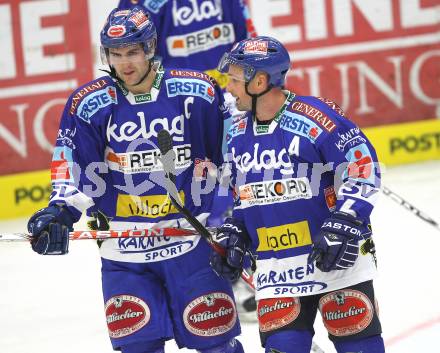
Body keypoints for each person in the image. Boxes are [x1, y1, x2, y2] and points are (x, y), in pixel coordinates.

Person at [27, 7, 245, 353]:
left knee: (217, 345)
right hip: (124, 251)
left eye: (132, 52)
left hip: (191, 242)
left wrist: (230, 215)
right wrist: (60, 210)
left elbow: (232, 153)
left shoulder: (197, 90)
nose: (124, 63)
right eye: (116, 54)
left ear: (150, 48)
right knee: (137, 348)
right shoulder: (89, 103)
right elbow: (72, 165)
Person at [210, 36, 386, 353]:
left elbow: (364, 168)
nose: (230, 88)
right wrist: (237, 227)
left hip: (336, 262)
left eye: (235, 80)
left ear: (259, 80)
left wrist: (346, 219)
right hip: (278, 271)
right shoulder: (236, 131)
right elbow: (245, 194)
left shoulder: (317, 119)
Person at [117, 0, 259, 320]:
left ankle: (249, 264)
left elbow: (247, 40)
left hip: (231, 97)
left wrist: (256, 88)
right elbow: (137, 57)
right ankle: (221, 276)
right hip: (181, 106)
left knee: (246, 180)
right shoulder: (142, 5)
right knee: (201, 187)